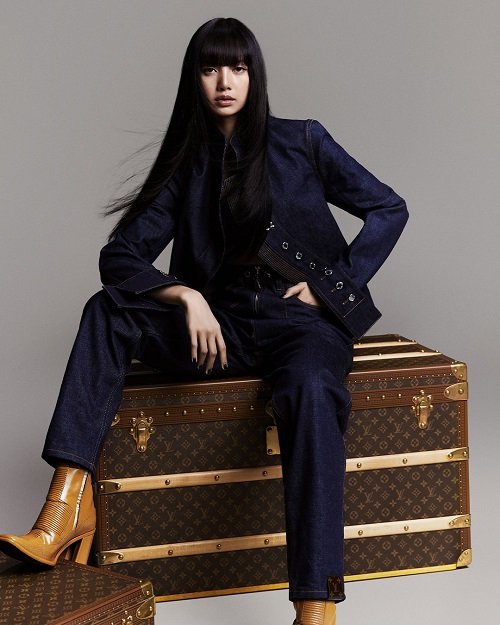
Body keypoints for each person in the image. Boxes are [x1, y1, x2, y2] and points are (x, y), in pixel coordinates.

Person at [0, 17, 408, 625]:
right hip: (223, 327)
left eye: (238, 68)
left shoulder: (302, 140)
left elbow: (388, 208)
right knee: (107, 309)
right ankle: (65, 506)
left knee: (311, 390)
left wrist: (330, 289)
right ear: (193, 78)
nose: (225, 82)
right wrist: (186, 295)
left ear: (254, 76)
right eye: (211, 68)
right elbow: (119, 257)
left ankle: (315, 605)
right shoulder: (186, 165)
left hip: (302, 325)